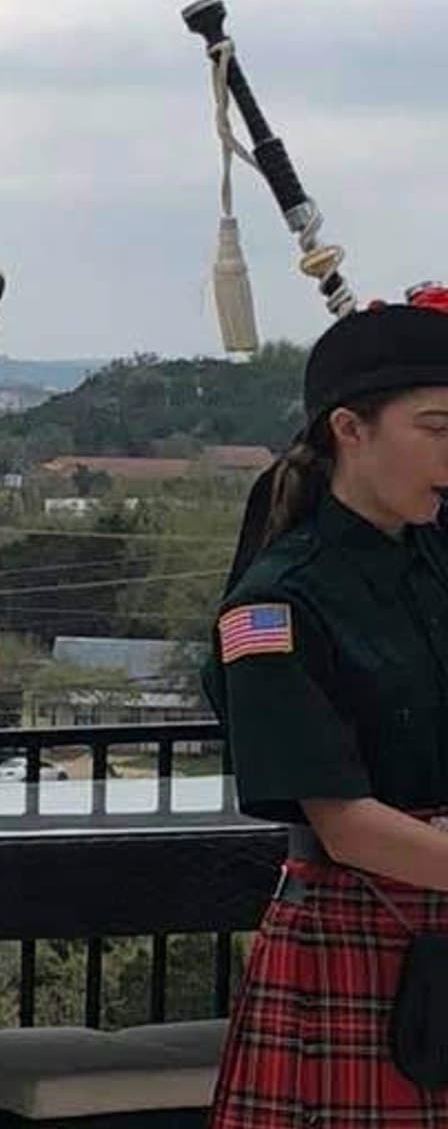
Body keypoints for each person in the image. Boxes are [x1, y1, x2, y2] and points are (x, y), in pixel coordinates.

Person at [203, 295, 448, 1126]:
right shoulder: (274, 606)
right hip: (359, 936)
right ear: (350, 429)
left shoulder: (437, 555)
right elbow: (346, 826)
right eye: (437, 428)